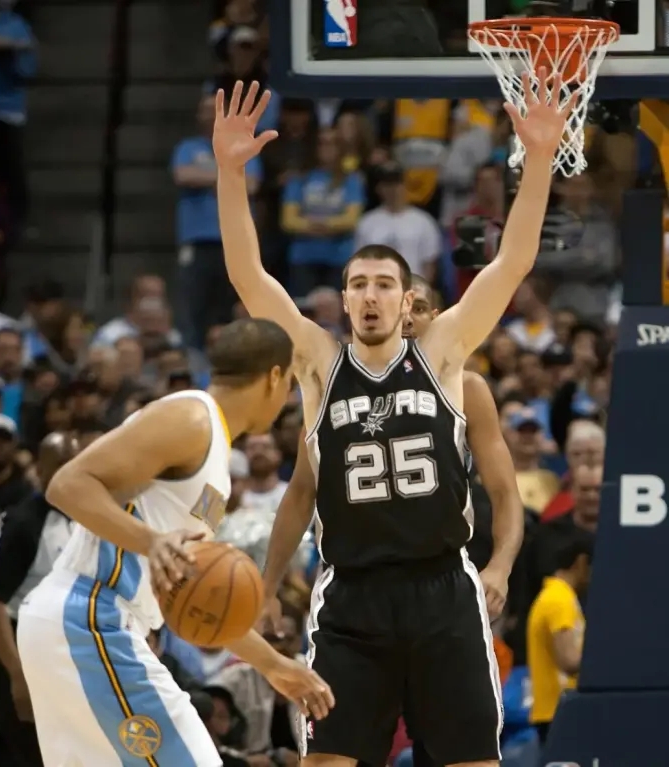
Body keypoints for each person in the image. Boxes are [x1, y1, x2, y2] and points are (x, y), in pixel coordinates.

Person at [214, 75, 575, 767]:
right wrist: (231, 175)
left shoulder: (442, 353)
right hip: (352, 597)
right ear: (344, 299)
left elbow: (512, 262)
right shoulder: (317, 362)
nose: (371, 295)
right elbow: (249, 276)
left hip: (442, 590)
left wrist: (536, 162)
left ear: (408, 300)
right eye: (359, 285)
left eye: (384, 284)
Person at [15, 318, 335, 767]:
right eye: (290, 387)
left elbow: (193, 594)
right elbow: (67, 484)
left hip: (83, 625)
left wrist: (273, 665)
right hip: (91, 617)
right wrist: (152, 542)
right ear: (275, 377)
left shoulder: (215, 454)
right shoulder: (191, 418)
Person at [262, 274, 523, 767]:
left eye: (419, 308)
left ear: (436, 318)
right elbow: (299, 493)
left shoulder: (465, 387)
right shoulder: (334, 386)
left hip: (440, 590)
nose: (407, 318)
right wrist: (268, 584)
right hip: (354, 594)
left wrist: (501, 566)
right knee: (327, 756)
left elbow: (506, 492)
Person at [0, 431, 77, 767]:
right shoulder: (21, 522)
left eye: (74, 463)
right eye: (59, 464)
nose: (68, 472)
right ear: (39, 470)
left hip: (72, 651)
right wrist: (17, 672)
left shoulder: (91, 520)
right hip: (26, 649)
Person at [526, 535, 592, 746]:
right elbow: (568, 660)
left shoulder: (555, 596)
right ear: (581, 562)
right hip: (558, 711)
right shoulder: (559, 600)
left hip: (555, 711)